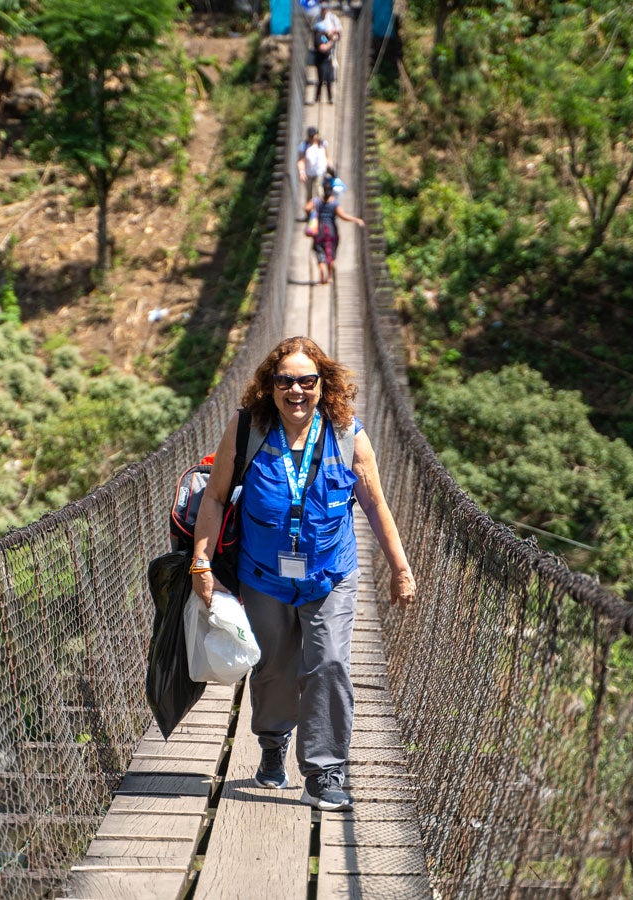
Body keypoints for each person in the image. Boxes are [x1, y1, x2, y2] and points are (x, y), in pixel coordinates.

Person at [189, 337, 417, 812]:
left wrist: (400, 567)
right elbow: (213, 498)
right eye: (285, 381)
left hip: (331, 574)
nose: (296, 391)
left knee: (328, 664)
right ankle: (273, 744)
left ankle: (325, 769)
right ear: (269, 387)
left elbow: (374, 502)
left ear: (323, 385)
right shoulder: (247, 428)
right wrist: (201, 561)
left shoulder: (347, 433)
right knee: (273, 668)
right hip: (263, 575)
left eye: (306, 381)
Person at [303, 180, 364, 286]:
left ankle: (322, 276)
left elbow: (306, 208)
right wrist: (356, 220)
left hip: (319, 231)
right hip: (331, 231)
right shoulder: (334, 203)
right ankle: (330, 277)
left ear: (322, 190)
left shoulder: (316, 201)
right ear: (331, 191)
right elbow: (343, 216)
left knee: (320, 252)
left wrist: (312, 214)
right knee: (330, 253)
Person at [311, 6, 342, 105]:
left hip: (328, 59)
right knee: (321, 79)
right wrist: (331, 42)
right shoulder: (318, 37)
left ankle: (330, 98)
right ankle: (317, 98)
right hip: (320, 60)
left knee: (329, 79)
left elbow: (330, 39)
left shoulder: (323, 36)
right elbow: (322, 47)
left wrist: (332, 37)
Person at [296, 128, 328, 219]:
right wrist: (301, 172)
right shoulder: (304, 146)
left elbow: (327, 156)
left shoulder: (323, 144)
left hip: (320, 172)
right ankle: (309, 215)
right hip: (308, 173)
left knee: (320, 192)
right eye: (310, 136)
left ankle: (321, 214)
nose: (312, 137)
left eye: (313, 135)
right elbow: (301, 160)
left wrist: (330, 167)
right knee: (309, 194)